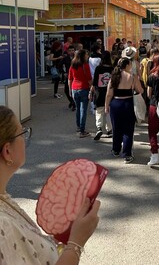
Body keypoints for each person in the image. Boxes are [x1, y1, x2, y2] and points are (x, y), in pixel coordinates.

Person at [0, 105, 100, 264]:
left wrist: (47, 244)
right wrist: (76, 243)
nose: (25, 138)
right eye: (22, 133)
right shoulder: (3, 226)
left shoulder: (3, 199)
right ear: (7, 151)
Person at [105, 57, 143, 163]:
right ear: (126, 65)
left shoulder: (114, 77)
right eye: (130, 64)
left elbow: (109, 94)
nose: (131, 66)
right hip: (128, 104)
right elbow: (140, 90)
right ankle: (127, 154)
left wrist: (106, 106)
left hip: (115, 104)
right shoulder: (132, 76)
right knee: (128, 130)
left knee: (116, 128)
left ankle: (116, 149)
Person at [68, 49, 92, 138]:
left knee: (78, 108)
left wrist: (70, 89)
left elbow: (69, 78)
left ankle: (78, 126)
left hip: (74, 88)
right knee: (83, 110)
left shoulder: (72, 65)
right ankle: (82, 130)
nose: (87, 56)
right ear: (82, 56)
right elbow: (89, 78)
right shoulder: (85, 65)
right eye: (86, 54)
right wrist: (92, 87)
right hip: (84, 88)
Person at [91, 51, 114, 141]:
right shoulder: (112, 68)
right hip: (109, 92)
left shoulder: (98, 68)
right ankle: (109, 129)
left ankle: (99, 128)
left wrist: (91, 91)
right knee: (108, 111)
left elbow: (95, 82)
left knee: (99, 111)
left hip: (99, 92)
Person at [62, 45, 76, 110]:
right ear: (67, 51)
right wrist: (63, 72)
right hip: (68, 76)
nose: (71, 52)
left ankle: (74, 103)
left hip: (76, 76)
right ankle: (72, 101)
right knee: (66, 90)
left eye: (72, 50)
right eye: (70, 51)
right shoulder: (65, 58)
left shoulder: (77, 58)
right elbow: (60, 65)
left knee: (75, 90)